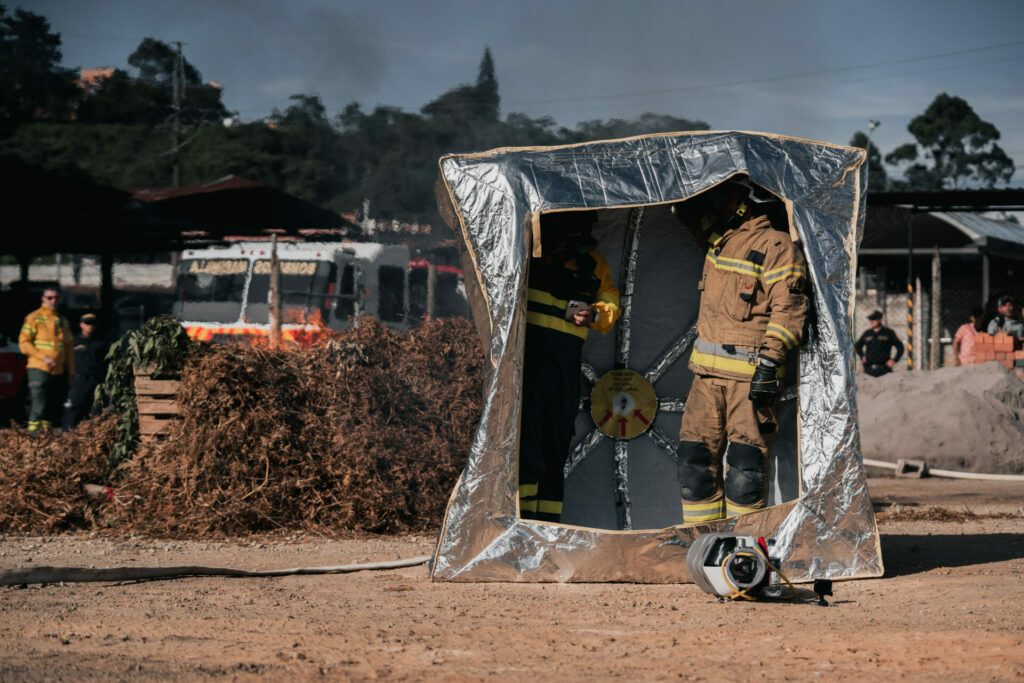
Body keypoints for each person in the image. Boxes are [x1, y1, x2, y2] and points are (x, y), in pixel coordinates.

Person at [674, 179, 808, 523]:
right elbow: (685, 209)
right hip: (706, 380)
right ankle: (703, 544)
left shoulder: (777, 245)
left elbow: (788, 309)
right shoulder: (721, 240)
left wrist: (769, 365)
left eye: (727, 196)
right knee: (693, 464)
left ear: (748, 202)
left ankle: (742, 545)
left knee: (745, 471)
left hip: (749, 382)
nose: (719, 203)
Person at [519, 210, 621, 522]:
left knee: (555, 450)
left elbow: (611, 302)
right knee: (526, 450)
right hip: (526, 369)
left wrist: (594, 314)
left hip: (563, 372)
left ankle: (546, 527)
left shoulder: (592, 261)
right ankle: (522, 522)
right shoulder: (529, 252)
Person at [18, 287, 74, 434]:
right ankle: (33, 436)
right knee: (39, 404)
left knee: (51, 407)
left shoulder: (63, 321)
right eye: (50, 297)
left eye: (56, 297)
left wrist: (71, 372)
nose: (53, 300)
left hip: (58, 370)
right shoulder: (34, 318)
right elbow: (24, 344)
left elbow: (69, 348)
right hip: (38, 368)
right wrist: (44, 357)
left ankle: (46, 436)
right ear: (43, 299)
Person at [62, 312, 108, 430]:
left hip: (96, 381)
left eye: (92, 324)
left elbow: (107, 363)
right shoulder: (74, 341)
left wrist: (107, 380)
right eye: (87, 323)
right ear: (81, 325)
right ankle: (67, 434)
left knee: (96, 411)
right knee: (73, 409)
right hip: (79, 380)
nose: (90, 326)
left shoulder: (102, 342)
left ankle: (94, 436)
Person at [854, 311, 904, 376]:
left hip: (884, 369)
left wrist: (894, 360)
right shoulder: (867, 333)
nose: (871, 321)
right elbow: (857, 346)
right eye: (870, 319)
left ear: (880, 320)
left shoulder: (888, 333)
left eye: (874, 319)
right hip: (869, 369)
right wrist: (862, 356)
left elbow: (900, 347)